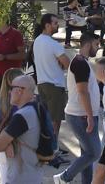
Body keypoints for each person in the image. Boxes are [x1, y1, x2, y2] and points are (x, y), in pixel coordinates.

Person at [56, 32, 102, 184]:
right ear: (88, 44)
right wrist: (89, 116)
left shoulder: (83, 61)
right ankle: (64, 177)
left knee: (87, 154)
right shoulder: (80, 63)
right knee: (94, 153)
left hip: (84, 114)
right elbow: (82, 91)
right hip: (80, 115)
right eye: (97, 44)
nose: (98, 47)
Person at [0, 74, 46, 183]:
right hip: (34, 176)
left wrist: (8, 143)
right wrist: (9, 143)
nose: (9, 92)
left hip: (20, 179)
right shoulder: (37, 109)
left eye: (11, 88)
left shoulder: (22, 116)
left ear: (19, 91)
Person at [33, 14, 70, 147]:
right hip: (55, 85)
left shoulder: (37, 41)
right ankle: (53, 149)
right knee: (56, 120)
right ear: (47, 25)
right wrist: (61, 63)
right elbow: (67, 64)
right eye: (55, 23)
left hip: (41, 84)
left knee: (45, 119)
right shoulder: (54, 44)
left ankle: (45, 147)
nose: (57, 25)